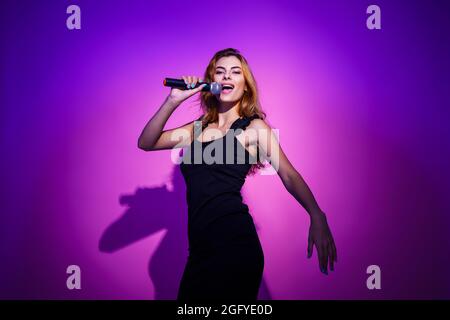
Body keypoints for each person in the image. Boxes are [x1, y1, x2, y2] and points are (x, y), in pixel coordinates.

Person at [138, 48, 337, 301]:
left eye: (235, 72)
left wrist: (316, 215)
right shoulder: (197, 129)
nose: (226, 77)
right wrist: (173, 101)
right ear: (211, 83)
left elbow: (289, 175)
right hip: (199, 252)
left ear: (245, 85)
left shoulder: (254, 128)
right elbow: (146, 142)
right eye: (219, 72)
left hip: (235, 246)